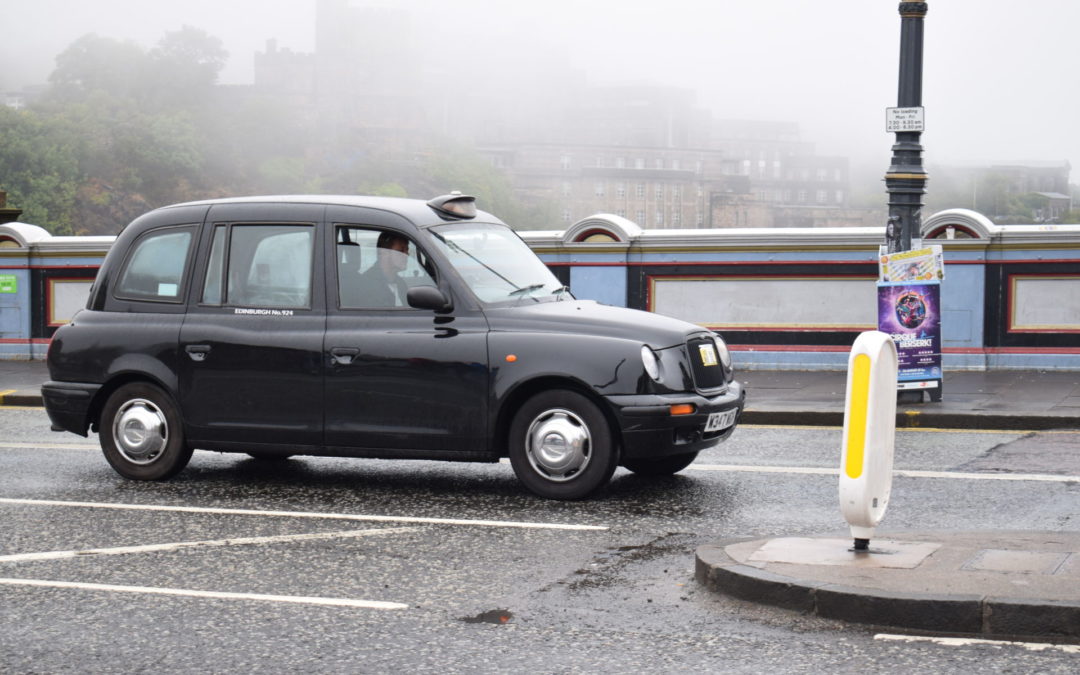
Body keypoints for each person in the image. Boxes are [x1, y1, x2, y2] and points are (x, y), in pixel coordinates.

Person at [358, 231, 411, 307]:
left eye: (407, 250)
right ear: (384, 253)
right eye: (401, 250)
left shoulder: (401, 283)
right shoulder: (367, 285)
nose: (407, 254)